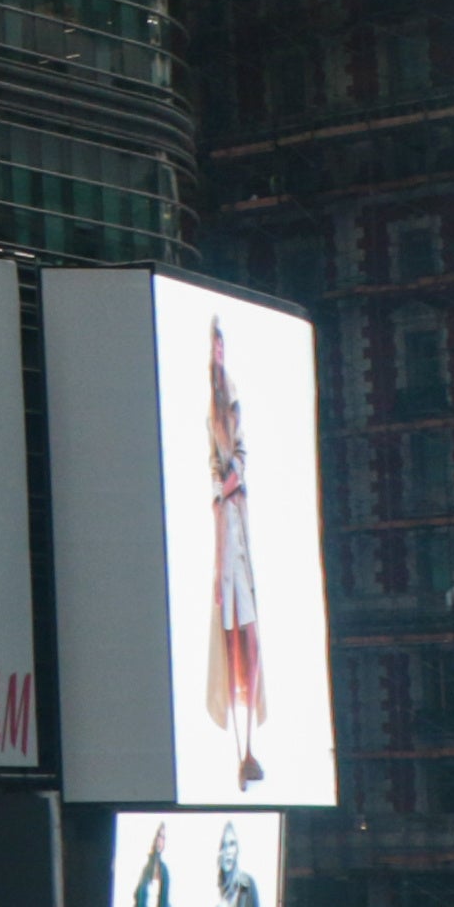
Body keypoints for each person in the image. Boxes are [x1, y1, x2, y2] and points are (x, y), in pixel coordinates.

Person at [205, 320, 267, 789]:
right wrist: (221, 488)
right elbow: (215, 464)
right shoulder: (211, 410)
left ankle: (249, 748)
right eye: (215, 346)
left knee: (248, 639)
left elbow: (239, 456)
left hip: (236, 526)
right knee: (228, 639)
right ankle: (238, 753)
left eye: (221, 344)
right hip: (224, 527)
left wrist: (230, 483)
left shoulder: (232, 401)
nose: (218, 353)